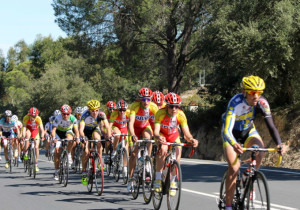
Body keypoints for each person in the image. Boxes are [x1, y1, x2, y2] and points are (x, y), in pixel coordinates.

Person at [221, 75, 286, 210]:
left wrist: (279, 144)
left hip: (248, 131)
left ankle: (249, 177)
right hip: (231, 134)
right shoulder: (235, 102)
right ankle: (228, 206)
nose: (256, 96)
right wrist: (234, 144)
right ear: (244, 91)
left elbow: (271, 126)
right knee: (234, 167)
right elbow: (227, 130)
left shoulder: (262, 103)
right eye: (252, 92)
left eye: (259, 92)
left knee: (259, 151)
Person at [153, 92, 198, 195]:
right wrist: (159, 137)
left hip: (173, 136)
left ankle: (173, 182)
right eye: (172, 106)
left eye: (177, 106)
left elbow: (186, 133)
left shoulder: (181, 114)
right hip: (162, 134)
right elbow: (156, 131)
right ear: (167, 106)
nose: (174, 109)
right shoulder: (160, 113)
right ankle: (158, 179)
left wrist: (191, 140)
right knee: (163, 149)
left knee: (177, 155)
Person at [127, 88, 158, 192]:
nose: (146, 102)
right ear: (140, 99)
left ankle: (147, 161)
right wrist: (132, 135)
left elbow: (159, 122)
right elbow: (130, 123)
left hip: (145, 127)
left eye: (148, 99)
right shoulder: (135, 107)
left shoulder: (153, 107)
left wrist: (158, 135)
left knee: (149, 138)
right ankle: (130, 179)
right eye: (143, 99)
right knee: (134, 155)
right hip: (135, 129)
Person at [79, 99, 112, 185]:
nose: (95, 113)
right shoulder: (84, 115)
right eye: (92, 111)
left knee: (98, 140)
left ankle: (99, 161)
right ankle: (84, 172)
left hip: (94, 129)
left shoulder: (101, 114)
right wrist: (83, 137)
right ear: (89, 110)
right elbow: (81, 129)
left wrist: (109, 136)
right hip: (85, 132)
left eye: (96, 110)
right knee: (86, 152)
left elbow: (107, 127)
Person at [51, 104, 80, 180]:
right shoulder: (58, 118)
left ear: (70, 113)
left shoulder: (73, 118)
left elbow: (76, 130)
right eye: (64, 114)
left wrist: (77, 138)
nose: (66, 116)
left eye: (68, 114)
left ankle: (69, 154)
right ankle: (56, 171)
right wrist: (54, 138)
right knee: (57, 152)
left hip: (68, 131)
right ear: (61, 113)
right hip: (58, 133)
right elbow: (53, 130)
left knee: (70, 139)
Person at [109, 99, 130, 171]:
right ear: (117, 109)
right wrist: (110, 133)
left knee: (126, 148)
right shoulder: (114, 113)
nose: (122, 112)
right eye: (120, 110)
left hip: (124, 127)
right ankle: (114, 150)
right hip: (115, 127)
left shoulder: (128, 113)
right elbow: (110, 125)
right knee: (118, 135)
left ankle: (125, 167)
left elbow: (132, 124)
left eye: (124, 110)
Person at [22, 107, 45, 172]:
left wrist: (42, 136)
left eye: (34, 116)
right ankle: (26, 152)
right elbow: (24, 128)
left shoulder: (38, 119)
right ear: (29, 114)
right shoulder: (25, 118)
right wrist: (23, 136)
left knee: (36, 147)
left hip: (35, 131)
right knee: (27, 135)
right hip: (28, 129)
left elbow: (42, 129)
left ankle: (36, 164)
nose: (33, 118)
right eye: (31, 116)